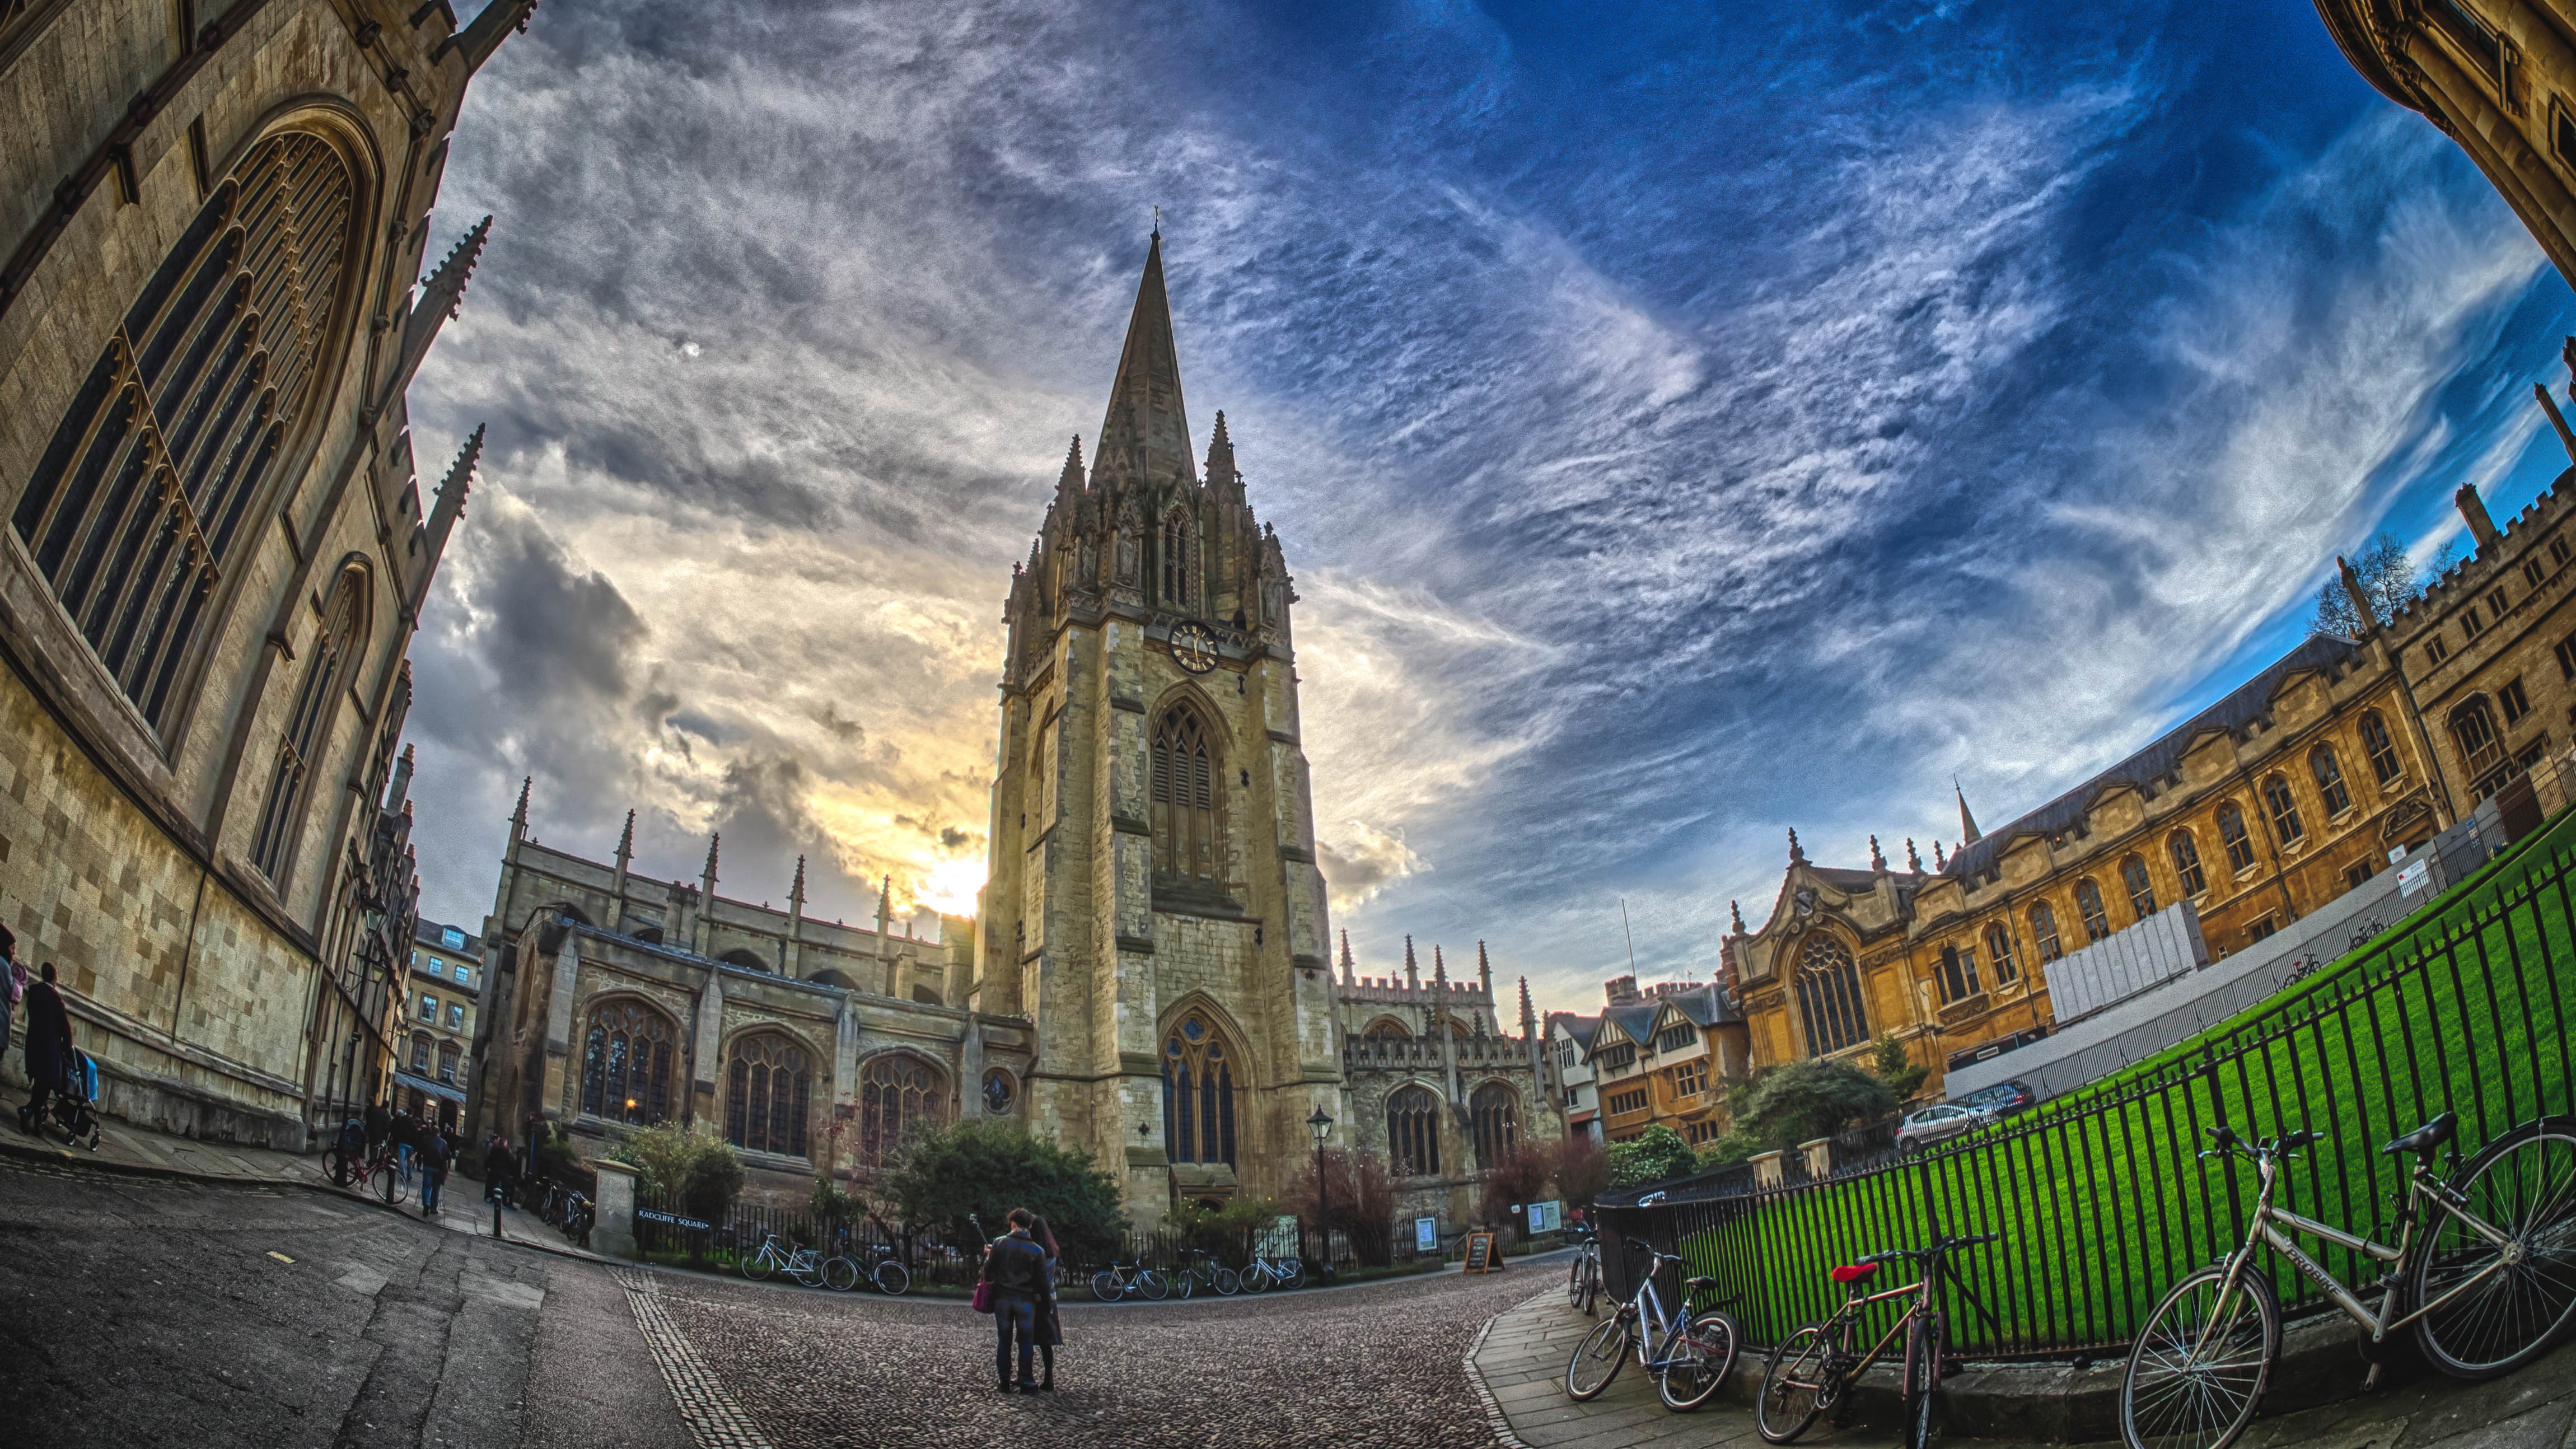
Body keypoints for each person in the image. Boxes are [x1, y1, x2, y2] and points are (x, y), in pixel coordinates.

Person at [979, 1207, 1048, 1392]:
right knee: (1026, 1341)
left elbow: (988, 1270)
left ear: (1012, 1224)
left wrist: (988, 1255)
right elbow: (1043, 1283)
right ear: (1030, 1226)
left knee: (1004, 1340)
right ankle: (1026, 1380)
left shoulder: (1000, 1243)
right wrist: (1047, 1305)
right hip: (1026, 1301)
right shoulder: (1037, 1251)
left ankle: (1004, 1380)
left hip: (1002, 1299)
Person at [21, 961, 73, 1130]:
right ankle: (29, 1111)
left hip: (34, 1043)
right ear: (54, 979)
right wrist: (67, 1049)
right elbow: (66, 1027)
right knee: (45, 1086)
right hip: (49, 1050)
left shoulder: (34, 991)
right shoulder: (55, 998)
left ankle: (36, 1125)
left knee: (40, 1086)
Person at [1026, 1213, 1063, 1391]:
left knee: (1028, 1340)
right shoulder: (1050, 1251)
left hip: (1035, 1299)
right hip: (1050, 1299)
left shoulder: (1035, 1252)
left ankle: (1028, 1377)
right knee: (1046, 1342)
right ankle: (1049, 1379)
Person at [417, 1121, 448, 1215]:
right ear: (439, 1133)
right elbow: (448, 1155)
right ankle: (434, 1208)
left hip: (427, 1166)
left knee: (426, 1187)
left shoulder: (426, 1139)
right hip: (439, 1169)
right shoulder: (443, 1142)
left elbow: (420, 1151)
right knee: (436, 1189)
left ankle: (426, 1203)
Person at [485, 1135, 515, 1207]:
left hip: (495, 1169)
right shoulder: (506, 1150)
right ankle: (503, 1202)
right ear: (505, 1143)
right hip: (503, 1171)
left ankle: (493, 1199)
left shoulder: (495, 1148)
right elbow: (510, 1162)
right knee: (504, 1187)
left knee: (494, 1185)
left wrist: (488, 1166)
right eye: (506, 1143)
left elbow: (490, 1157)